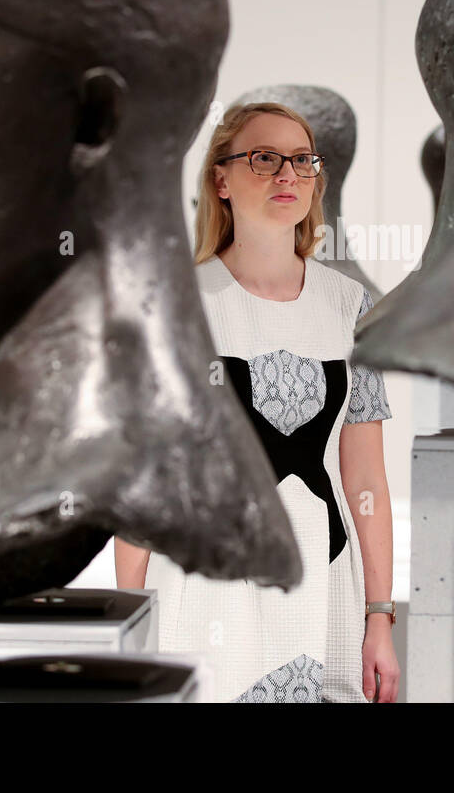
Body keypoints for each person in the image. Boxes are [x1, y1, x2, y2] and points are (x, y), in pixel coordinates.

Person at [116, 101, 399, 703]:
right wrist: (131, 620)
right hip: (204, 586)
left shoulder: (351, 308)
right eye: (265, 158)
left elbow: (366, 477)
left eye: (302, 160)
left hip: (324, 581)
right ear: (221, 179)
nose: (288, 175)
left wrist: (380, 616)